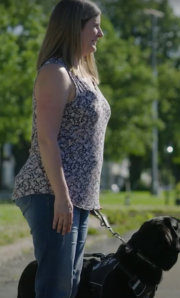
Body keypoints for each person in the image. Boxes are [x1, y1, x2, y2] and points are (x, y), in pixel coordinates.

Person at [11, 1, 109, 297]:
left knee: (69, 286)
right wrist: (63, 197)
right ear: (72, 28)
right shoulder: (56, 73)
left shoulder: (84, 74)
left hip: (74, 197)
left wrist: (88, 196)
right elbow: (46, 140)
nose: (100, 33)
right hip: (50, 192)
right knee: (57, 287)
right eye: (94, 26)